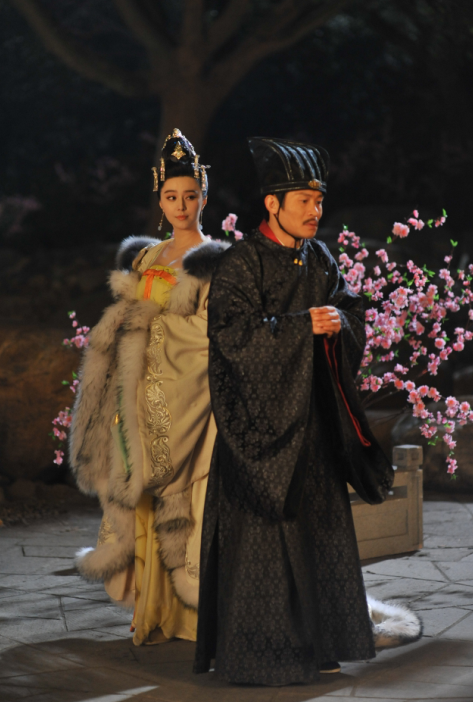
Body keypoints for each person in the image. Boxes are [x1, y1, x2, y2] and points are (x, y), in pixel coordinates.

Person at [194, 137, 394, 684]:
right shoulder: (241, 263)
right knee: (264, 545)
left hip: (313, 427)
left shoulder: (319, 257)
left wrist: (339, 322)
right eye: (304, 200)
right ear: (272, 204)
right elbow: (230, 339)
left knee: (320, 539)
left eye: (319, 200)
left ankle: (322, 647)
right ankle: (262, 658)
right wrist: (302, 326)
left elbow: (351, 310)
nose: (315, 210)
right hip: (259, 435)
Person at [70, 128, 228, 645]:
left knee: (183, 497)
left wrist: (145, 328)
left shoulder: (216, 262)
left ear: (204, 198)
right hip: (132, 394)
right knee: (135, 491)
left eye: (190, 195)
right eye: (171, 196)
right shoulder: (145, 258)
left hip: (187, 400)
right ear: (159, 201)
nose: (180, 206)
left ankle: (187, 613)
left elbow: (210, 334)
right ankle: (149, 606)